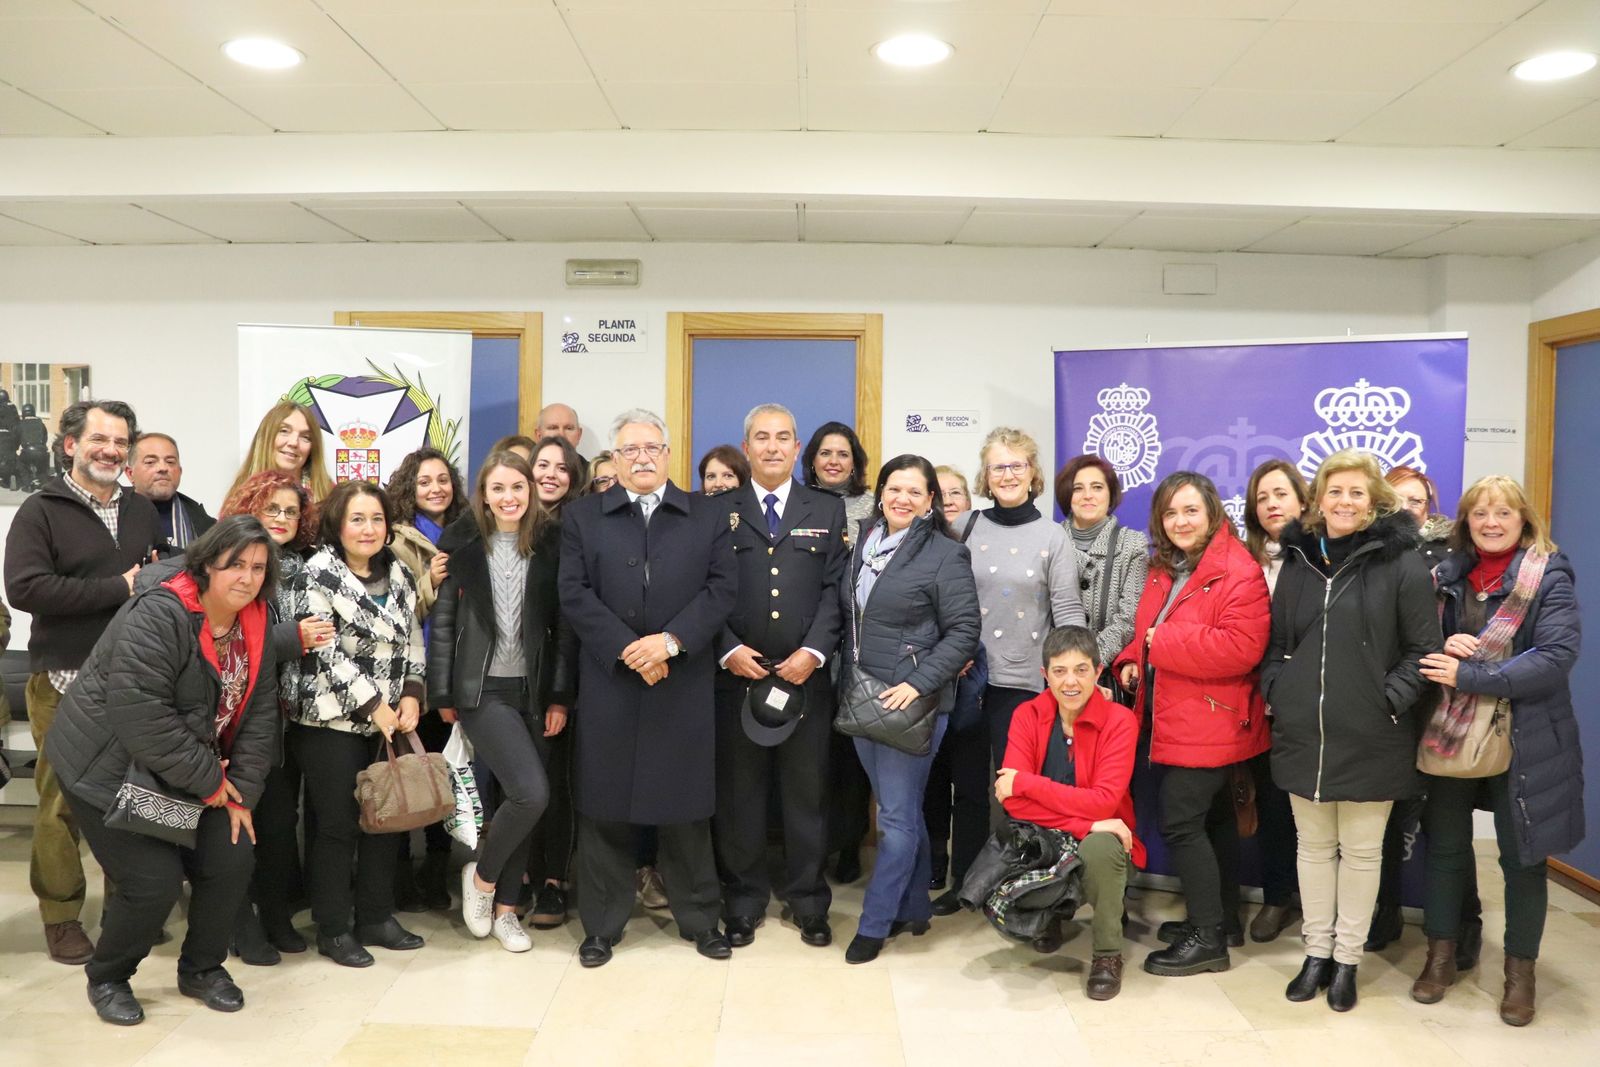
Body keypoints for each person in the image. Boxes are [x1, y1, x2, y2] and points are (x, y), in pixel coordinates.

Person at [43, 517, 283, 1025]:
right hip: (107, 765)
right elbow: (142, 717)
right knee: (153, 882)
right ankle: (108, 976)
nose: (247, 578)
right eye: (235, 564)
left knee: (232, 857)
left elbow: (260, 714)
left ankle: (202, 969)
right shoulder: (161, 612)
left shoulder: (256, 617)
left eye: (259, 567)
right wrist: (213, 783)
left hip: (186, 765)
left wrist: (241, 793)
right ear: (207, 564)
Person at [1262, 450, 1439, 1012]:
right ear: (1318, 499)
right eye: (1334, 491)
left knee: (1362, 854)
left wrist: (1386, 702)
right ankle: (1315, 953)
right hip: (1304, 731)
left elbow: (1422, 651)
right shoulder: (1298, 559)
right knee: (1313, 849)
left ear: (1374, 501)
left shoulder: (1402, 562)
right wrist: (1280, 691)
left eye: (1356, 492)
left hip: (1373, 733)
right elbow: (1276, 646)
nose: (1344, 502)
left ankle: (1347, 961)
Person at [558, 409, 737, 967]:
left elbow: (722, 589)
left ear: (668, 454)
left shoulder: (707, 514)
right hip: (611, 682)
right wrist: (628, 649)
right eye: (629, 450)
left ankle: (701, 920)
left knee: (686, 810)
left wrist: (671, 642)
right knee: (604, 809)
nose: (641, 458)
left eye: (651, 448)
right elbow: (573, 592)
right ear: (613, 459)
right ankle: (601, 927)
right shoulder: (583, 516)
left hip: (682, 683)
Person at [1412, 476, 1585, 1027]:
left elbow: (1556, 655)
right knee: (1445, 850)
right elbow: (1415, 643)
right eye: (1480, 513)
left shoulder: (1548, 574)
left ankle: (1519, 975)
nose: (1491, 522)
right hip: (1452, 733)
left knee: (1523, 859)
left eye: (1504, 513)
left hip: (1527, 736)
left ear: (1524, 520)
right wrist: (1442, 642)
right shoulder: (1444, 575)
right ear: (1465, 522)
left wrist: (1473, 674)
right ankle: (1440, 958)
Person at [4, 399, 161, 965]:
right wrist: (119, 587)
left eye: (120, 442)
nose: (111, 451)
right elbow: (26, 589)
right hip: (63, 680)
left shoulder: (141, 509)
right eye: (100, 439)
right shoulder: (40, 510)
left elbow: (152, 580)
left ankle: (127, 907)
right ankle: (61, 917)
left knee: (132, 798)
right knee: (60, 805)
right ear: (70, 444)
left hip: (133, 681)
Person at [1113, 471, 1270, 979]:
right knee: (1214, 819)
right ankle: (1220, 920)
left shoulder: (1237, 570)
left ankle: (1207, 940)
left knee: (1181, 822)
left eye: (1190, 511)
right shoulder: (1166, 567)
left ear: (1212, 514)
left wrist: (1159, 645)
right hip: (1175, 715)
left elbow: (1240, 648)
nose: (1180, 521)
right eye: (1170, 513)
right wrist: (1133, 658)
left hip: (1213, 719)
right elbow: (1147, 630)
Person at [932, 427, 1084, 917]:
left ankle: (1025, 889)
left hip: (1024, 685)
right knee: (969, 789)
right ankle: (966, 884)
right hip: (967, 679)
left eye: (1017, 465)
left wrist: (1076, 676)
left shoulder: (1053, 536)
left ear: (1032, 472)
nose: (1008, 474)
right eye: (998, 466)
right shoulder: (965, 527)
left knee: (1023, 792)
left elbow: (1067, 611)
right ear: (986, 474)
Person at [713, 404, 848, 948]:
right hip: (737, 677)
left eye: (783, 438)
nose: (772, 447)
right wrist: (726, 648)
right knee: (739, 796)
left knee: (805, 794)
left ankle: (808, 901)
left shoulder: (827, 508)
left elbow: (836, 591)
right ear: (746, 448)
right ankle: (743, 900)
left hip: (803, 678)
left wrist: (813, 651)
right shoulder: (717, 510)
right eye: (762, 438)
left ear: (797, 449)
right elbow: (703, 589)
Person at [430, 451, 572, 953]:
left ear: (530, 491)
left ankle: (507, 912)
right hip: (482, 690)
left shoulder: (551, 545)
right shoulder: (461, 547)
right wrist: (443, 692)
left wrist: (559, 697)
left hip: (534, 691)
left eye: (517, 487)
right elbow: (443, 625)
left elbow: (563, 630)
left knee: (524, 801)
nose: (509, 497)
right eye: (498, 489)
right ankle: (483, 879)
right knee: (531, 793)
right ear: (484, 497)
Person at [841, 455, 980, 964]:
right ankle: (915, 907)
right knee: (900, 811)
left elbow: (965, 631)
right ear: (880, 493)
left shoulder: (946, 553)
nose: (902, 498)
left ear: (929, 502)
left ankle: (874, 923)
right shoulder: (863, 543)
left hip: (911, 705)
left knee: (895, 820)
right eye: (894, 488)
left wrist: (918, 684)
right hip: (862, 699)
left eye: (914, 492)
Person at [283, 480, 427, 968]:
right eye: (357, 519)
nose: (368, 529)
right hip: (330, 719)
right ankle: (333, 928)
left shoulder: (399, 571)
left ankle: (376, 918)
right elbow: (322, 649)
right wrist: (373, 705)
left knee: (385, 821)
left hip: (389, 719)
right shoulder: (317, 573)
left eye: (377, 519)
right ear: (338, 525)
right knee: (338, 827)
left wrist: (412, 693)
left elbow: (413, 638)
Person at [212, 472, 331, 965]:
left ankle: (277, 914)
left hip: (286, 717)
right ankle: (238, 922)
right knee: (236, 824)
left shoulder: (308, 564)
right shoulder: (232, 563)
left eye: (291, 511)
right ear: (250, 509)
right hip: (231, 717)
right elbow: (236, 633)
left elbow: (320, 630)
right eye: (272, 508)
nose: (282, 518)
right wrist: (292, 638)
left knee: (281, 824)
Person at [998, 626, 1144, 1000]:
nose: (1070, 682)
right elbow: (1010, 802)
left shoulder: (1120, 721)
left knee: (1101, 845)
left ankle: (1108, 954)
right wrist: (1088, 821)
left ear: (1098, 672)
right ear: (1045, 675)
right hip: (1047, 836)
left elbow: (1103, 801)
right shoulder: (1026, 715)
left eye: (1081, 670)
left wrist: (1026, 783)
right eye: (1059, 671)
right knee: (1024, 835)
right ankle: (1049, 914)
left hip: (1104, 842)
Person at [1369, 463, 1477, 957]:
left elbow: (1470, 618)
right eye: (1397, 500)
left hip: (1441, 706)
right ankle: (1384, 912)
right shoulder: (1368, 553)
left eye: (1416, 500)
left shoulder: (1455, 556)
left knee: (1444, 825)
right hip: (1389, 704)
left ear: (1429, 507)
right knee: (1385, 822)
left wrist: (1449, 638)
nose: (1407, 509)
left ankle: (1463, 924)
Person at [385, 447, 468, 913]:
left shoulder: (469, 530)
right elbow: (396, 616)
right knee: (403, 778)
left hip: (456, 675)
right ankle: (399, 880)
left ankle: (437, 874)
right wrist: (431, 582)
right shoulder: (395, 541)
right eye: (424, 481)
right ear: (408, 489)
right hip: (414, 680)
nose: (436, 488)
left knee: (444, 777)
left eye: (442, 479)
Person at [801, 421, 875, 883]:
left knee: (850, 753)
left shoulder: (874, 506)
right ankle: (812, 846)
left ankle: (849, 843)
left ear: (855, 462)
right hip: (805, 639)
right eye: (825, 453)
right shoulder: (798, 502)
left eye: (842, 454)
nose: (833, 461)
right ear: (811, 459)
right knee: (813, 754)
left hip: (857, 643)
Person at [1240, 458, 1311, 944]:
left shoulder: (1322, 557)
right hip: (1257, 703)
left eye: (1280, 494)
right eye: (1262, 498)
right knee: (1272, 806)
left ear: (1302, 501)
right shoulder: (1246, 561)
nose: (1271, 505)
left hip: (1313, 700)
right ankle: (1277, 897)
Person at [523, 434, 585, 928]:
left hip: (556, 678)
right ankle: (519, 875)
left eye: (561, 468)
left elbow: (568, 622)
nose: (550, 475)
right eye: (542, 465)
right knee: (516, 785)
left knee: (555, 784)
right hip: (507, 681)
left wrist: (561, 696)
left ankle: (553, 882)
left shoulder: (576, 530)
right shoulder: (503, 525)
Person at [925, 465, 987, 895]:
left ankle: (967, 874)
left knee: (969, 784)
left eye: (956, 493)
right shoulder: (919, 544)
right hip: (931, 677)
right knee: (931, 780)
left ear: (969, 500)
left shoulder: (984, 542)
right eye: (940, 493)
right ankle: (934, 861)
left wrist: (965, 652)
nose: (948, 501)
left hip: (975, 678)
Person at [1059, 454, 1149, 671]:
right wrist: (1059, 662)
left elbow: (1129, 620)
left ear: (1111, 494)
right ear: (1067, 495)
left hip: (1104, 672)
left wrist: (1086, 663)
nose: (1087, 496)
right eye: (1078, 488)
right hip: (1053, 670)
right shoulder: (1049, 540)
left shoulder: (1133, 545)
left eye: (1097, 487)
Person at [126, 432, 215, 554]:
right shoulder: (115, 516)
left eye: (170, 462)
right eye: (150, 462)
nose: (163, 468)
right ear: (130, 473)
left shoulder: (206, 525)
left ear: (180, 471)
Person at [228, 401, 332, 503]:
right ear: (266, 437)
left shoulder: (330, 496)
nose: (294, 442)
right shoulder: (240, 497)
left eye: (305, 437)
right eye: (284, 431)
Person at [1387, 465, 1453, 570]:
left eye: (1415, 501)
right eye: (1395, 500)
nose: (1404, 507)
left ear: (1427, 506)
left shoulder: (1451, 551)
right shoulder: (1366, 546)